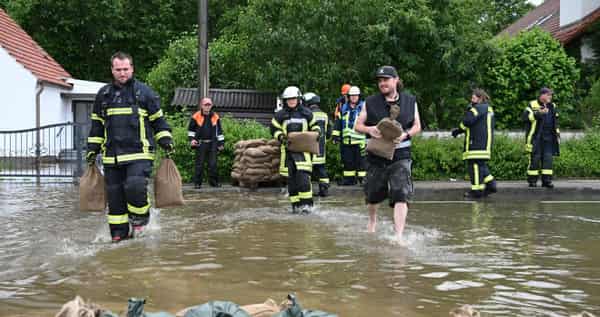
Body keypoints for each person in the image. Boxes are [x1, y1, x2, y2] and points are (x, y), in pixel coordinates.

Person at [86, 51, 173, 242]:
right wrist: (92, 148)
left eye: (126, 69)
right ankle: (119, 235)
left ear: (132, 68)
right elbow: (97, 126)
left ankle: (140, 221)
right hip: (112, 157)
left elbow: (159, 121)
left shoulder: (145, 93)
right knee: (115, 199)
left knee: (134, 187)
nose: (122, 73)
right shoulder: (103, 95)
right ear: (112, 70)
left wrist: (165, 139)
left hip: (139, 154)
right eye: (118, 70)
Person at [354, 66, 421, 240]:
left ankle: (398, 235)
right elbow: (357, 126)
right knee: (373, 193)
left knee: (401, 193)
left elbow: (417, 126)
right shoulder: (370, 102)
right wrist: (370, 129)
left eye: (386, 79)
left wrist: (406, 134)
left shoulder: (410, 101)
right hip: (376, 156)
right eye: (380, 80)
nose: (382, 83)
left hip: (401, 155)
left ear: (396, 80)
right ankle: (372, 221)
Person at [271, 86, 321, 213]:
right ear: (285, 100)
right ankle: (296, 207)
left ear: (298, 99)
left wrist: (316, 133)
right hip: (288, 153)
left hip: (304, 153)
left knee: (303, 180)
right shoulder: (280, 115)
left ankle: (308, 207)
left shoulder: (307, 113)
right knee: (292, 183)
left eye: (293, 99)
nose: (291, 101)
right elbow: (274, 129)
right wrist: (281, 136)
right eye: (289, 99)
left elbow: (316, 126)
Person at [451, 89, 497, 198]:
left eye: (473, 98)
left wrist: (457, 131)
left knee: (474, 166)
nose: (471, 100)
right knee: (481, 166)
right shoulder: (489, 109)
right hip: (485, 144)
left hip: (476, 144)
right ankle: (491, 185)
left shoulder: (477, 109)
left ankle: (476, 191)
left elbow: (467, 122)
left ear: (480, 98)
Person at [523, 87, 560, 188]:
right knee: (535, 159)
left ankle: (547, 181)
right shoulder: (532, 104)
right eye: (548, 95)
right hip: (536, 138)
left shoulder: (552, 106)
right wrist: (538, 113)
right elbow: (526, 117)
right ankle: (532, 181)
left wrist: (557, 136)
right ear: (542, 95)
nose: (550, 97)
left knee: (548, 160)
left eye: (551, 95)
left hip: (549, 138)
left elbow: (556, 123)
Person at [187, 97, 225, 189]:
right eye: (205, 105)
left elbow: (219, 131)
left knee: (213, 164)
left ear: (211, 105)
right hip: (201, 143)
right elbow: (191, 130)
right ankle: (197, 183)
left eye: (209, 105)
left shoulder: (215, 116)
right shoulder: (196, 116)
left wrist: (221, 143)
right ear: (201, 105)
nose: (207, 106)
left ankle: (214, 183)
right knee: (199, 164)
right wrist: (192, 139)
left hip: (213, 143)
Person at [332, 86, 366, 185]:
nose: (354, 97)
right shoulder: (343, 108)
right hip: (347, 141)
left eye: (356, 96)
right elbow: (338, 123)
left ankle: (363, 180)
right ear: (349, 96)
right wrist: (335, 136)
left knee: (361, 162)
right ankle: (349, 180)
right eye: (352, 96)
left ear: (359, 96)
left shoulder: (364, 108)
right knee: (348, 161)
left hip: (360, 141)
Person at [304, 92, 331, 197]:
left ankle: (307, 191)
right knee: (321, 169)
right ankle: (324, 189)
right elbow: (329, 132)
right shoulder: (324, 115)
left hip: (309, 146)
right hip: (321, 147)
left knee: (307, 169)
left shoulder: (308, 114)